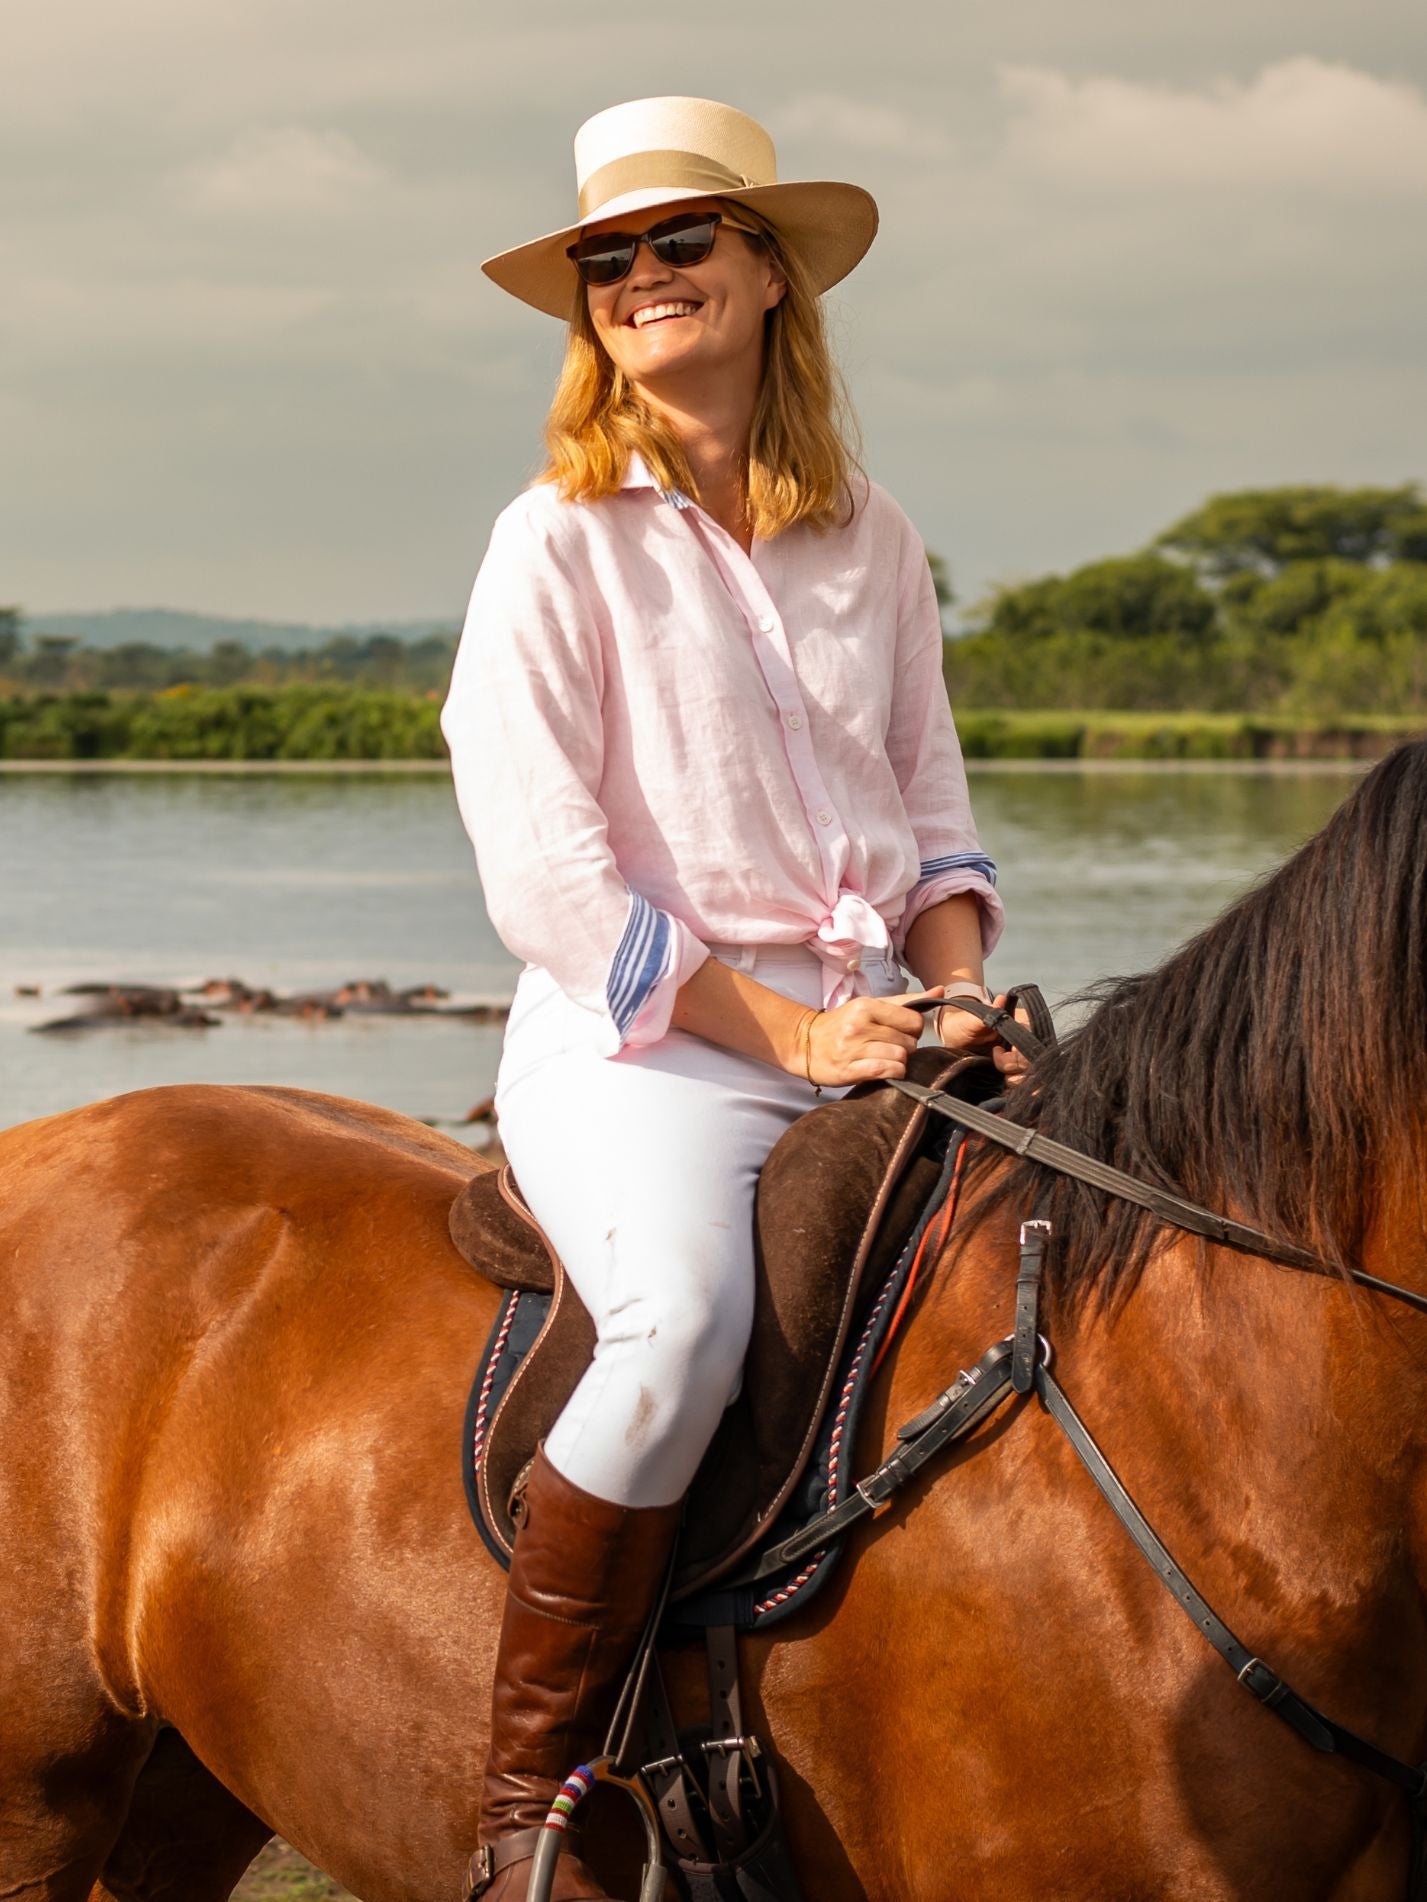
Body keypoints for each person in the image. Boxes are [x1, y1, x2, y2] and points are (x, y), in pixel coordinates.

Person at [442, 95, 1006, 1902]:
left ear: (769, 274)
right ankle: (533, 1807)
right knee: (679, 1325)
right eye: (608, 259)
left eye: (682, 241)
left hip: (875, 1029)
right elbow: (547, 880)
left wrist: (957, 991)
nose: (641, 278)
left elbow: (933, 821)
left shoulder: (877, 536)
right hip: (647, 1048)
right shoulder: (555, 545)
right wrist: (785, 1037)